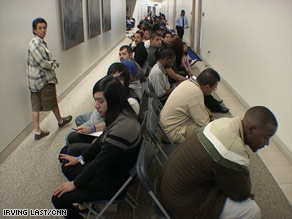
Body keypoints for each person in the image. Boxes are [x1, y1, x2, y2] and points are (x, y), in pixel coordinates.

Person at [159, 106, 278, 219]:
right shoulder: (231, 148)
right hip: (180, 206)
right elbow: (240, 193)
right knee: (251, 210)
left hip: (169, 190)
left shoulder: (223, 123)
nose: (267, 143)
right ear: (251, 130)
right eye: (266, 137)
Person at [52, 76, 142, 219]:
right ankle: (85, 203)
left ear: (113, 100)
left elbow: (99, 164)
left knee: (57, 199)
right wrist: (80, 159)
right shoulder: (122, 113)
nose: (95, 105)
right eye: (95, 100)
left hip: (113, 183)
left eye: (101, 101)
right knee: (69, 163)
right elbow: (101, 140)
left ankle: (85, 201)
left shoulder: (121, 128)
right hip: (116, 171)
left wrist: (75, 184)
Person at [66, 63, 140, 147]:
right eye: (111, 78)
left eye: (119, 79)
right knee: (78, 120)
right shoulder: (112, 95)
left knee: (70, 137)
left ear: (126, 80)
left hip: (102, 131)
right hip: (99, 125)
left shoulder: (129, 103)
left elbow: (113, 126)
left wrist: (97, 137)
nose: (114, 82)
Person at [27, 18, 72, 140]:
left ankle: (37, 131)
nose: (43, 30)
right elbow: (42, 63)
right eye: (40, 28)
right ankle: (60, 121)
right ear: (34, 30)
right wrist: (54, 64)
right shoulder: (36, 44)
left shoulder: (38, 43)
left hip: (34, 81)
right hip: (43, 80)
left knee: (35, 105)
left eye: (44, 28)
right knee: (52, 100)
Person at [160, 68, 219, 144]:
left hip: (164, 127)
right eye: (214, 88)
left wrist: (210, 115)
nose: (212, 91)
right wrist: (211, 120)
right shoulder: (196, 93)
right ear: (207, 87)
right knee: (207, 131)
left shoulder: (188, 83)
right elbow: (203, 122)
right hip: (171, 133)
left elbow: (201, 106)